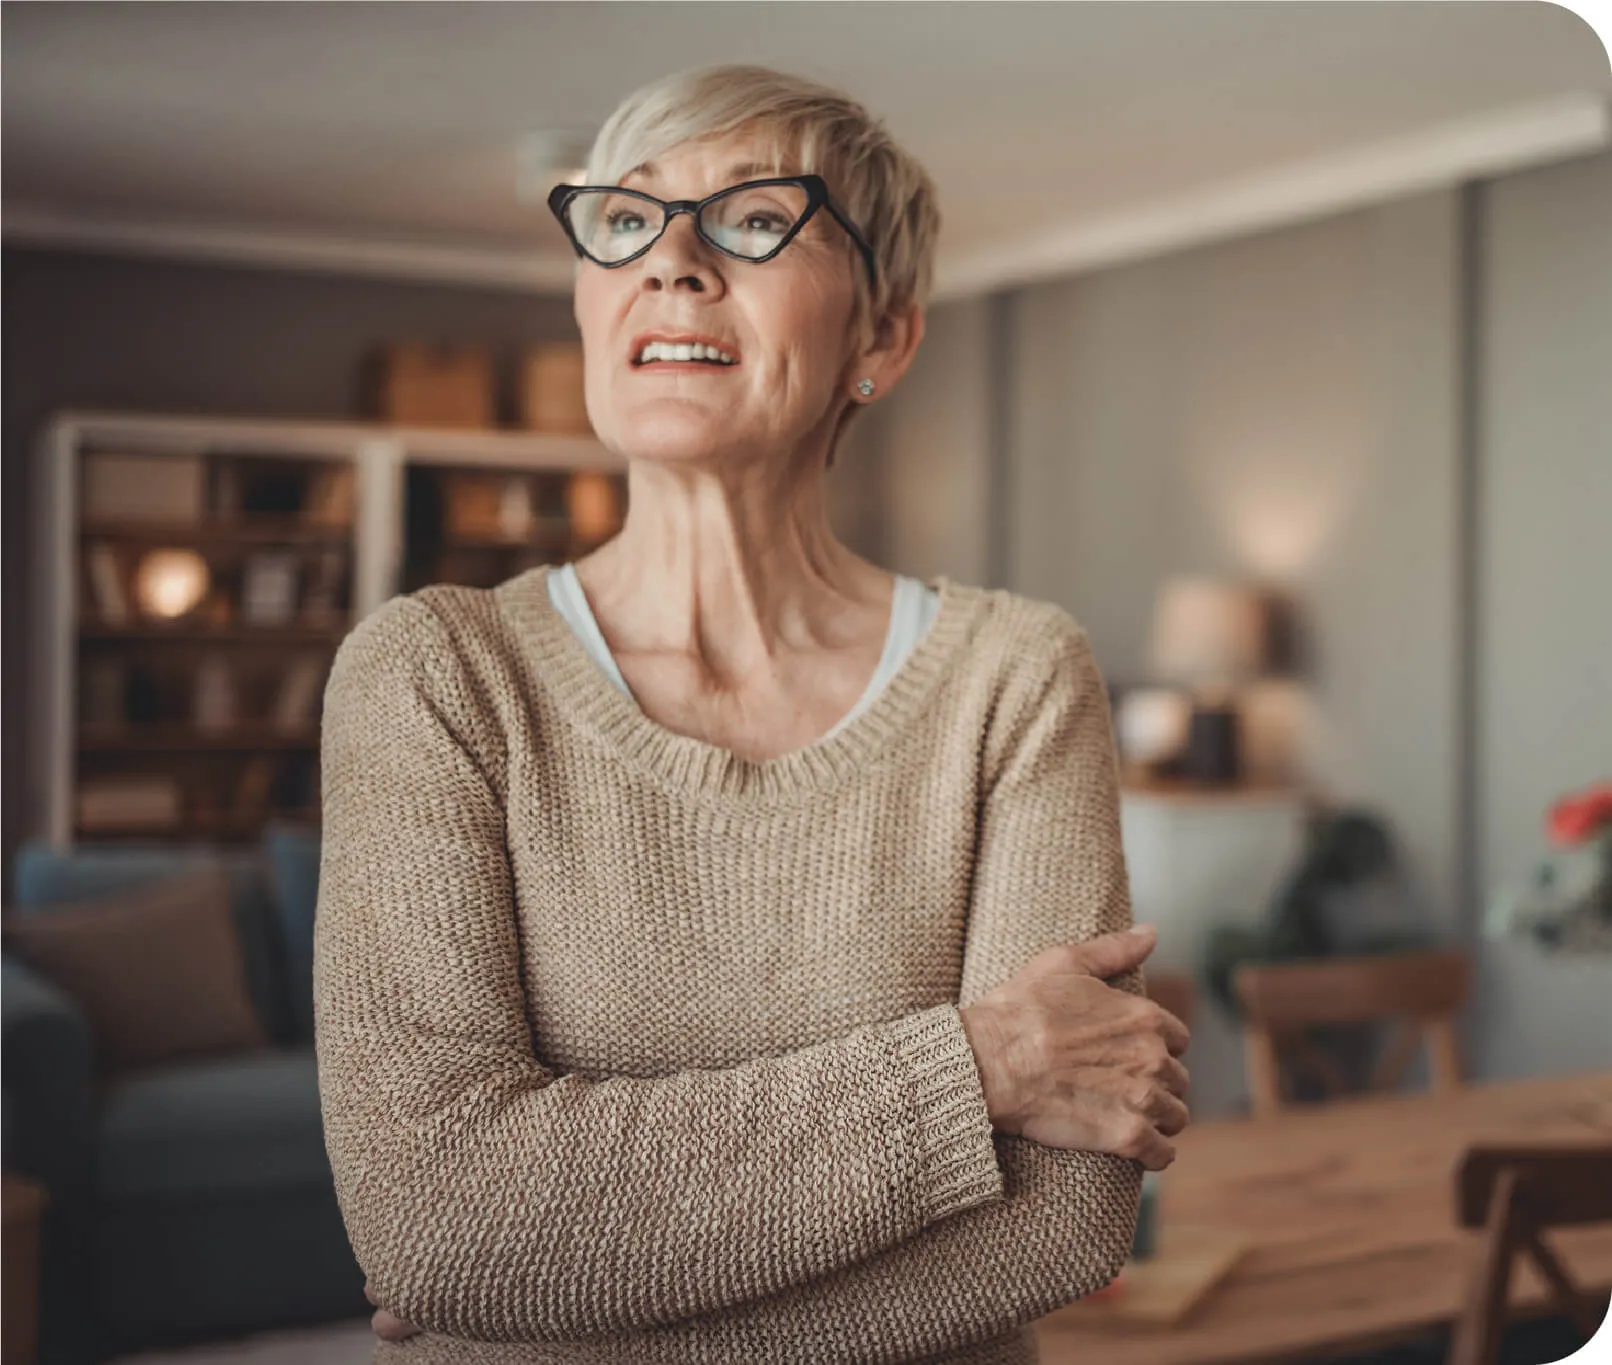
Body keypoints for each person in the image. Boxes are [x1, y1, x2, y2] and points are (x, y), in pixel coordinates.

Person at [315, 63, 1190, 1365]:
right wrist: (981, 1067)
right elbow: (436, 1222)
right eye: (627, 218)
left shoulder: (1012, 677)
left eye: (753, 217)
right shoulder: (436, 675)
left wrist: (548, 1280)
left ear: (881, 338)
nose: (673, 260)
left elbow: (1056, 1234)